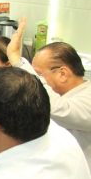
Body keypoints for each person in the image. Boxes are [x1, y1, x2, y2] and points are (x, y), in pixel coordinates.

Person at [6, 32, 91, 167]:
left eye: (39, 74)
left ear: (62, 74)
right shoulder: (59, 96)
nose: (37, 80)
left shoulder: (87, 96)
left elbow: (58, 109)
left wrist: (17, 61)